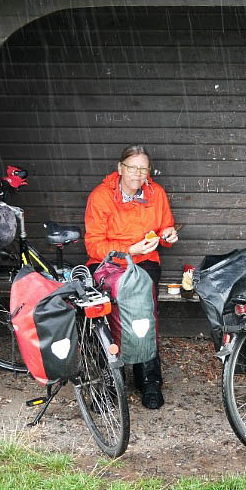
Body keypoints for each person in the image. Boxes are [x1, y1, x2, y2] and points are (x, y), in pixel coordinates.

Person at [84, 144, 178, 409]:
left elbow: (164, 230)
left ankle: (149, 379)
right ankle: (108, 382)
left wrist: (168, 236)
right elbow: (93, 245)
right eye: (133, 168)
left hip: (144, 263)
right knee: (105, 317)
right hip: (107, 265)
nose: (138, 174)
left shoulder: (156, 193)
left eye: (144, 169)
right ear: (120, 169)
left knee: (143, 317)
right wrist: (127, 250)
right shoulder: (102, 196)